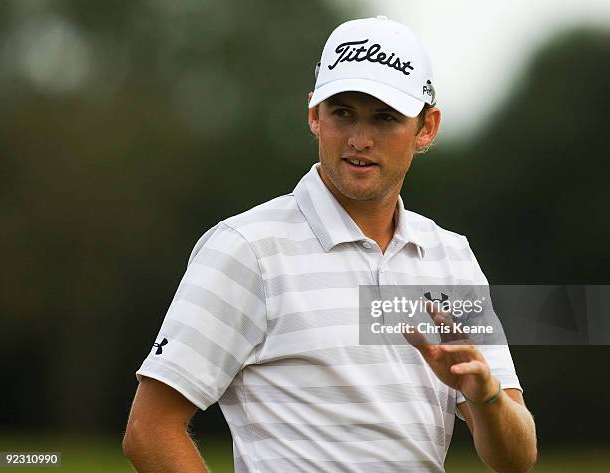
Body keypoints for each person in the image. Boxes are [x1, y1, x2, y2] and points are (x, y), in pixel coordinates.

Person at [123, 16, 537, 473]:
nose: (360, 139)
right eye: (342, 113)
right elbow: (150, 429)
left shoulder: (451, 258)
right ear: (313, 115)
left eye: (385, 117)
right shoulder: (246, 249)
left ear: (426, 127)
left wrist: (487, 398)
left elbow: (516, 461)